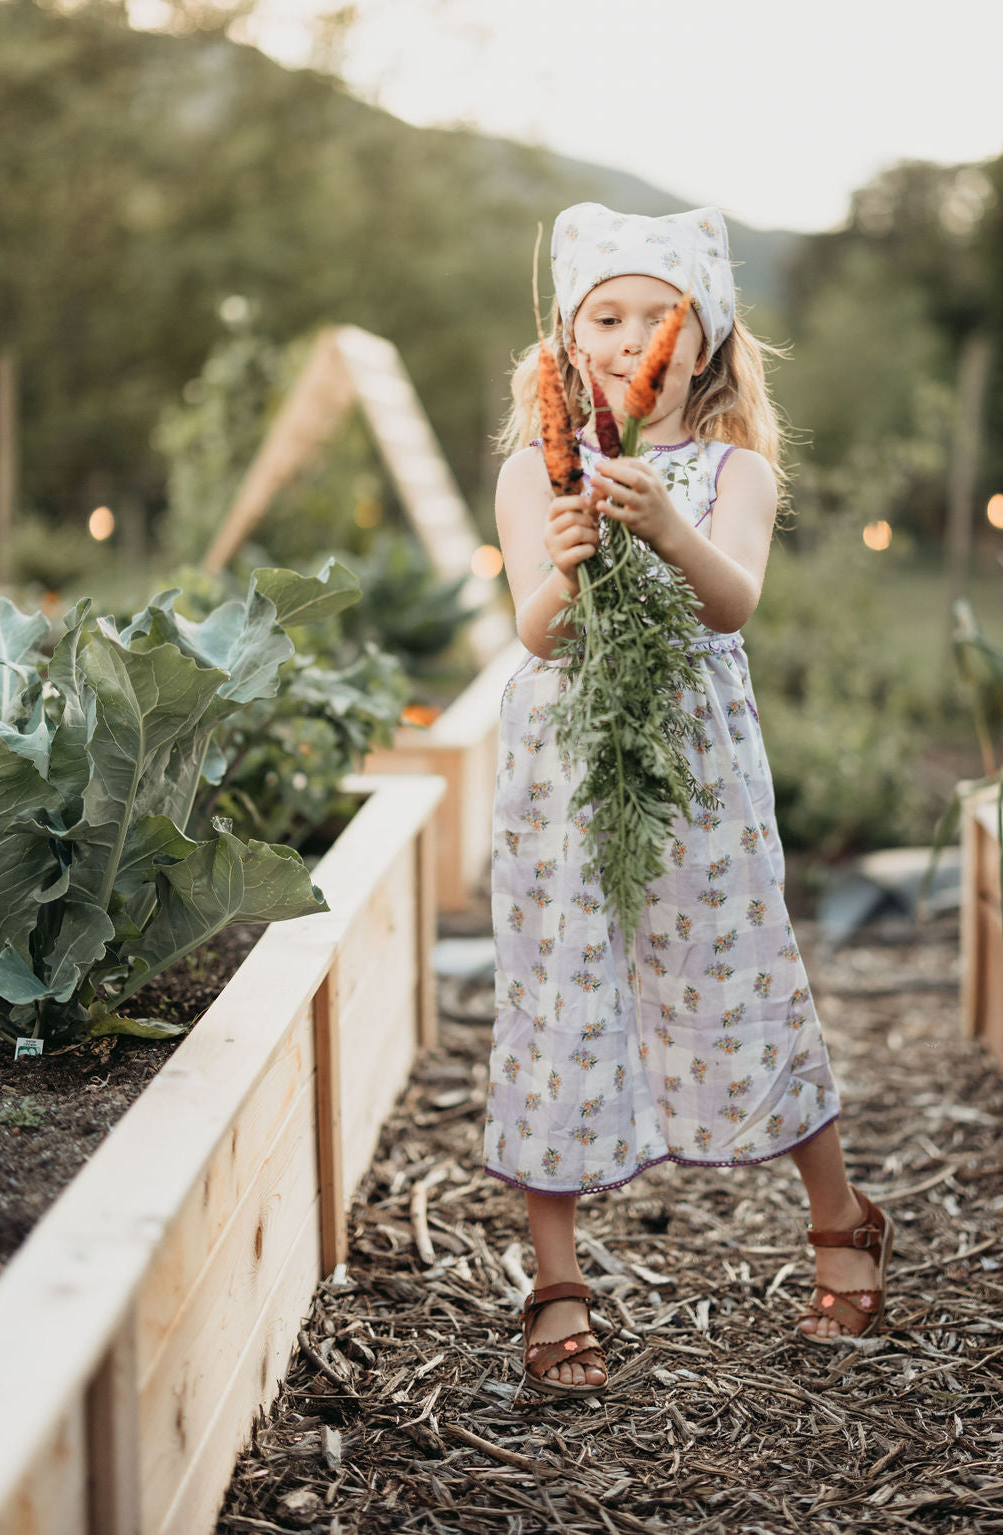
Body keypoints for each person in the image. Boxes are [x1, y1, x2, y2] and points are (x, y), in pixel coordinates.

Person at [484, 203, 893, 1397]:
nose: (629, 340)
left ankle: (841, 1213)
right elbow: (537, 631)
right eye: (604, 317)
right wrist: (568, 555)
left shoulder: (732, 469)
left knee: (742, 970)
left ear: (703, 343)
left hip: (699, 771)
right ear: (568, 337)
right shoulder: (531, 469)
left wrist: (661, 523)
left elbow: (730, 604)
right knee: (559, 987)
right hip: (567, 772)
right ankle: (556, 1278)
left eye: (657, 319)